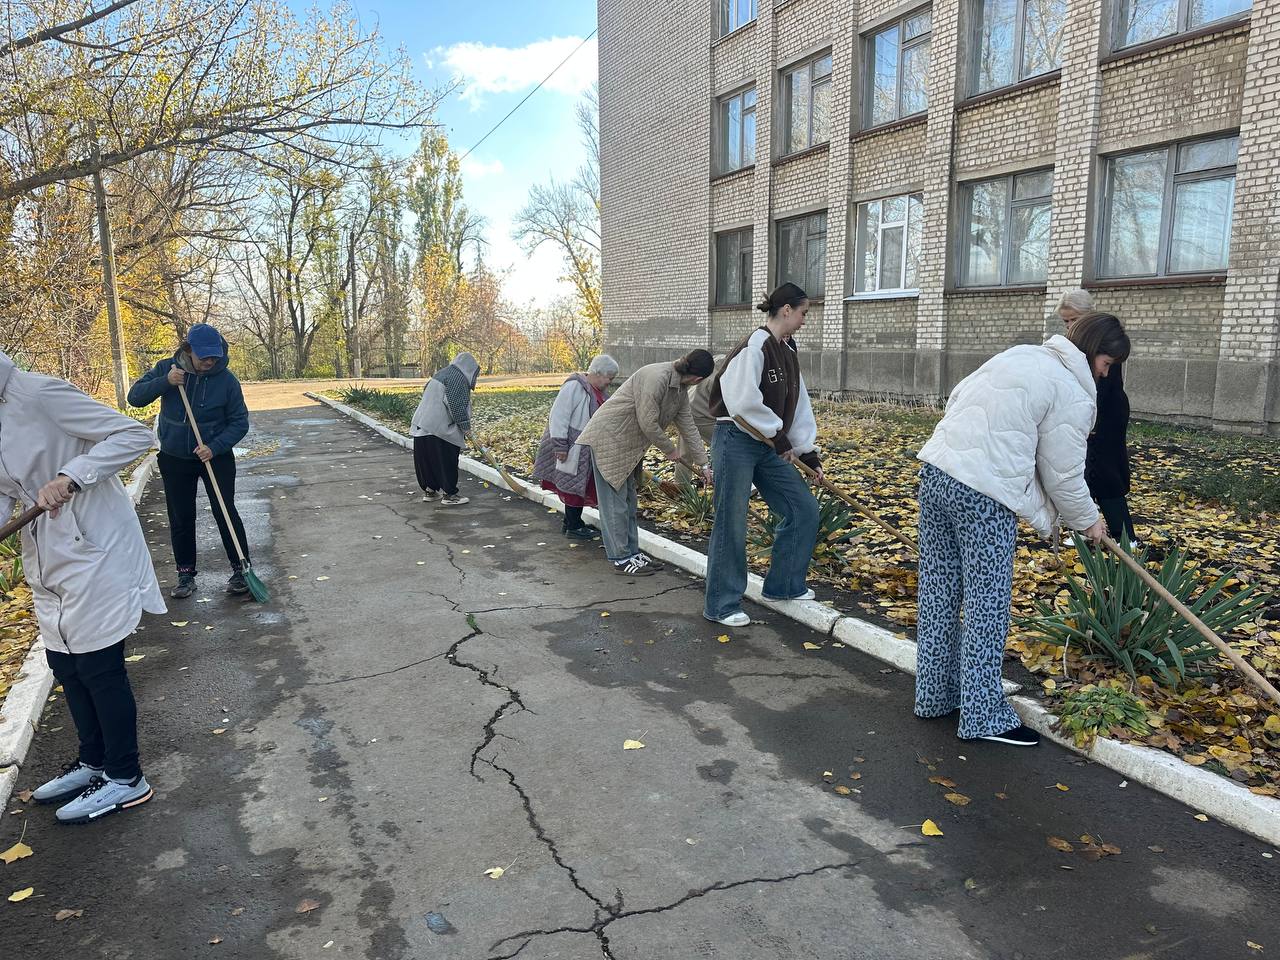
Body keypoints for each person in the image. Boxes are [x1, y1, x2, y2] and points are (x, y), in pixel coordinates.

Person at [914, 314, 1130, 747]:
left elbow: (958, 398)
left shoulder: (1020, 355)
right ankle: (982, 717)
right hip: (983, 496)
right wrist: (1090, 520)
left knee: (939, 592)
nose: (1107, 373)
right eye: (1107, 362)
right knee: (986, 605)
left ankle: (934, 697)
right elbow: (1064, 475)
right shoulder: (1072, 390)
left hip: (936, 473)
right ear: (1092, 351)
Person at [0, 350, 164, 823]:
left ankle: (127, 778)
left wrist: (72, 476)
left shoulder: (39, 392)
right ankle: (94, 762)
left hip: (96, 545)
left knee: (98, 665)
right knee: (65, 665)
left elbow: (134, 433)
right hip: (48, 554)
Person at [703, 283, 824, 628]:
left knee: (803, 508)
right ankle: (722, 605)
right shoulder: (756, 345)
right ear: (786, 310)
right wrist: (778, 436)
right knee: (732, 519)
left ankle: (783, 586)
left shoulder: (788, 350)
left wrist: (806, 451)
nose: (804, 321)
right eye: (803, 313)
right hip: (736, 439)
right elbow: (742, 402)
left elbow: (798, 405)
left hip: (769, 443)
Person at [128, 323, 251, 599]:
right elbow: (134, 398)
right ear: (188, 350)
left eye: (214, 356)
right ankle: (185, 575)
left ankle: (241, 569)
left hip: (214, 457)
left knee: (225, 511)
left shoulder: (226, 380)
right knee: (181, 516)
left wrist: (215, 446)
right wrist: (166, 382)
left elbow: (240, 422)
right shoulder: (168, 369)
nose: (209, 361)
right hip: (175, 457)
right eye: (204, 356)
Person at [577, 350, 714, 576]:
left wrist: (704, 464)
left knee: (629, 500)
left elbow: (688, 424)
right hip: (610, 439)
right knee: (615, 503)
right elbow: (648, 422)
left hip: (630, 445)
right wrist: (670, 450)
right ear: (698, 379)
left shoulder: (679, 387)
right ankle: (620, 557)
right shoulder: (657, 377)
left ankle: (631, 551)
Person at [1059, 299, 1138, 546]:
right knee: (1084, 473)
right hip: (1090, 418)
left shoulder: (1102, 350)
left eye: (1074, 319)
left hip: (1105, 418)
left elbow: (1101, 389)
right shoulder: (1077, 353)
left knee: (1107, 475)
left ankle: (1125, 535)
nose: (1070, 326)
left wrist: (1091, 423)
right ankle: (1085, 529)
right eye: (1066, 321)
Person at [531, 354, 620, 540]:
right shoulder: (574, 386)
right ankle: (573, 526)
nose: (610, 382)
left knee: (578, 486)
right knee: (572, 487)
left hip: (584, 448)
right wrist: (560, 446)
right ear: (597, 373)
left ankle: (573, 523)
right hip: (571, 446)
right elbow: (558, 416)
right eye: (609, 378)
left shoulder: (595, 390)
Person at [411, 352, 480, 506]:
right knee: (445, 461)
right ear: (469, 368)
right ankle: (450, 495)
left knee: (427, 461)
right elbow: (456, 406)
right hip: (441, 429)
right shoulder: (458, 378)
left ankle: (430, 491)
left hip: (422, 425)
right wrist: (465, 427)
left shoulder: (441, 374)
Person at [675, 353, 725, 486]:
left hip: (687, 409)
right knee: (724, 445)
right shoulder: (719, 379)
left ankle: (681, 485)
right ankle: (723, 480)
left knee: (685, 452)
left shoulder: (712, 366)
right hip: (702, 416)